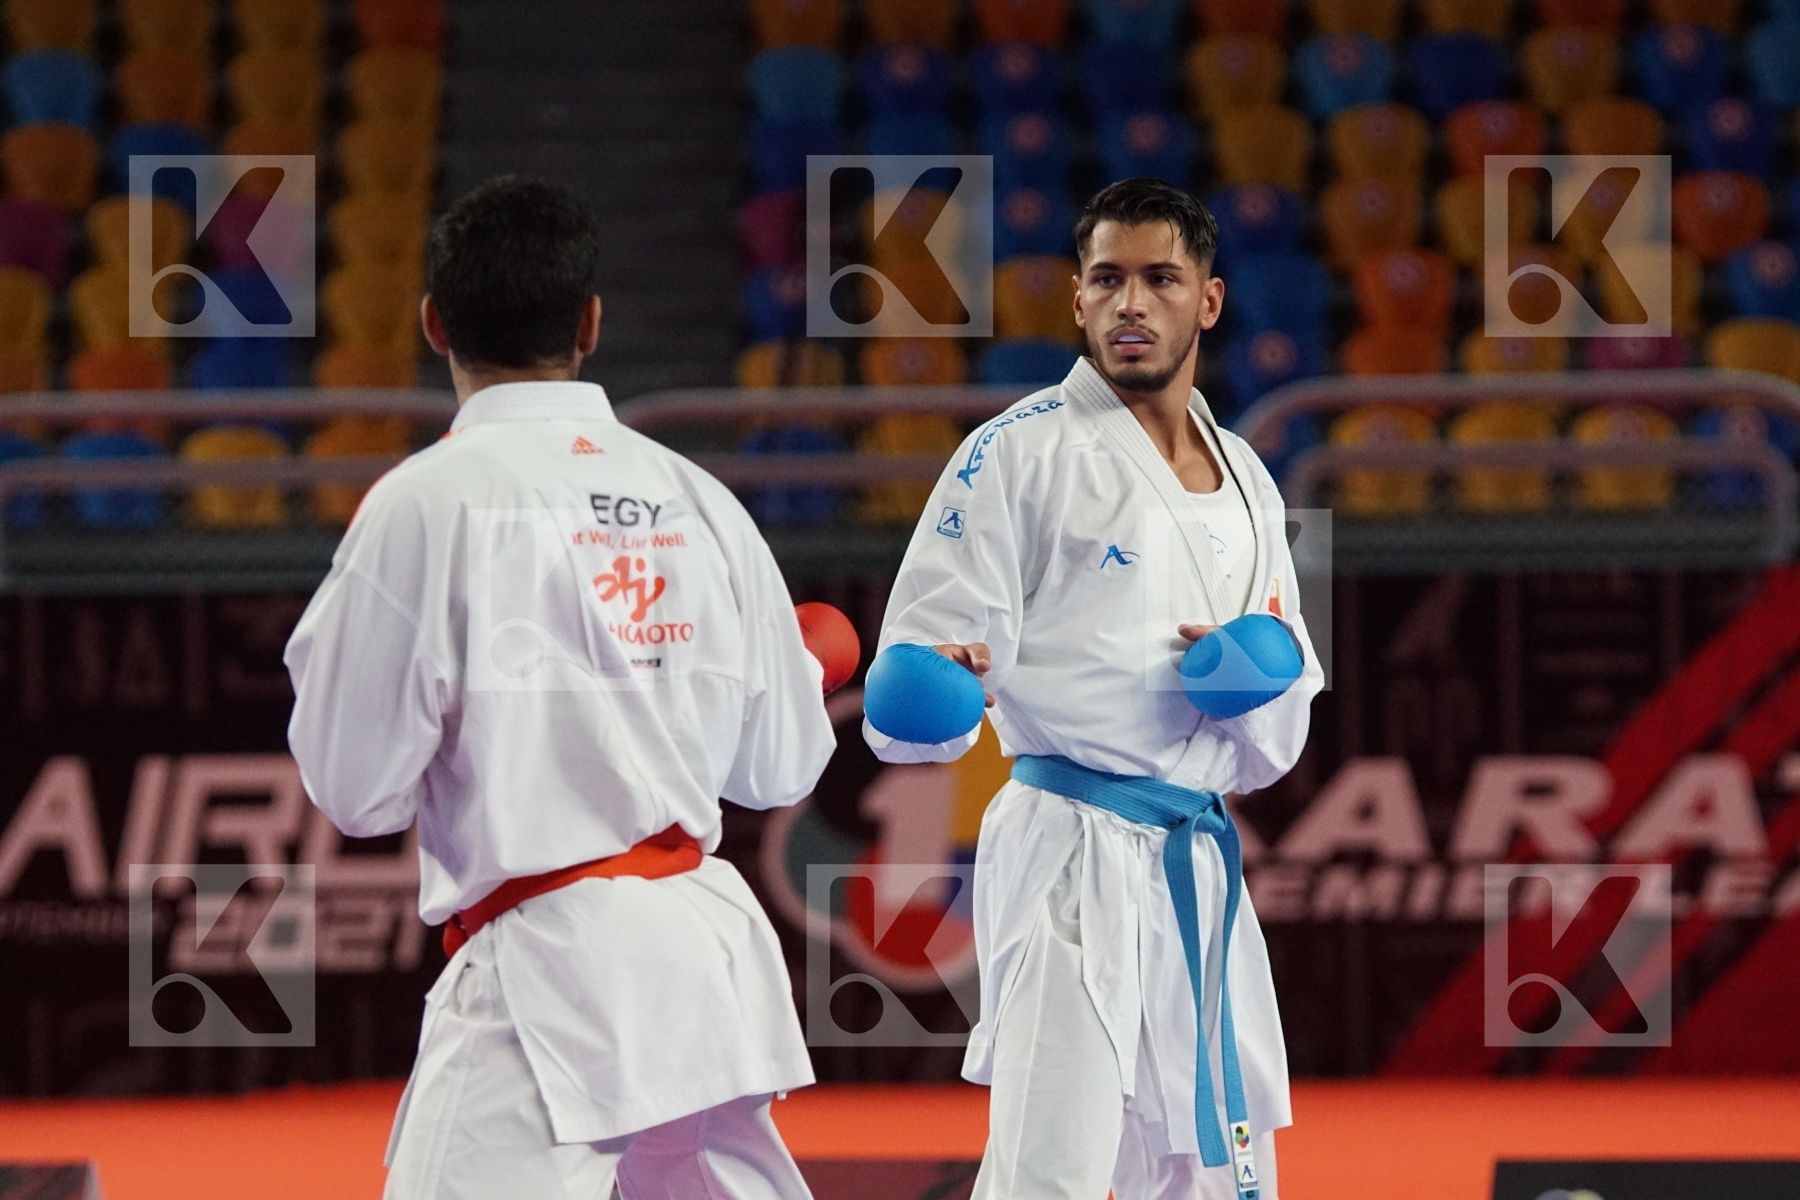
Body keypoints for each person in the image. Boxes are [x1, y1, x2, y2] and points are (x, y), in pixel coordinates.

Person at [286, 176, 836, 1200]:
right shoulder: (699, 498)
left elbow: (353, 789)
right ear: (590, 322)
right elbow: (781, 764)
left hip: (550, 982)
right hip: (703, 966)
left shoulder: (424, 504)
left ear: (433, 323)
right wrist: (795, 669)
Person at [864, 178, 1323, 1199]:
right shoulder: (1017, 455)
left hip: (1195, 859)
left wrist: (1259, 680)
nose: (1131, 304)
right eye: (1108, 280)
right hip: (1070, 846)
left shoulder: (1247, 470)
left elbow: (1287, 695)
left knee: (1210, 1170)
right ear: (1076, 300)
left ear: (1207, 299)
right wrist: (933, 690)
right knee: (1051, 1165)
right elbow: (918, 674)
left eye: (1160, 278)